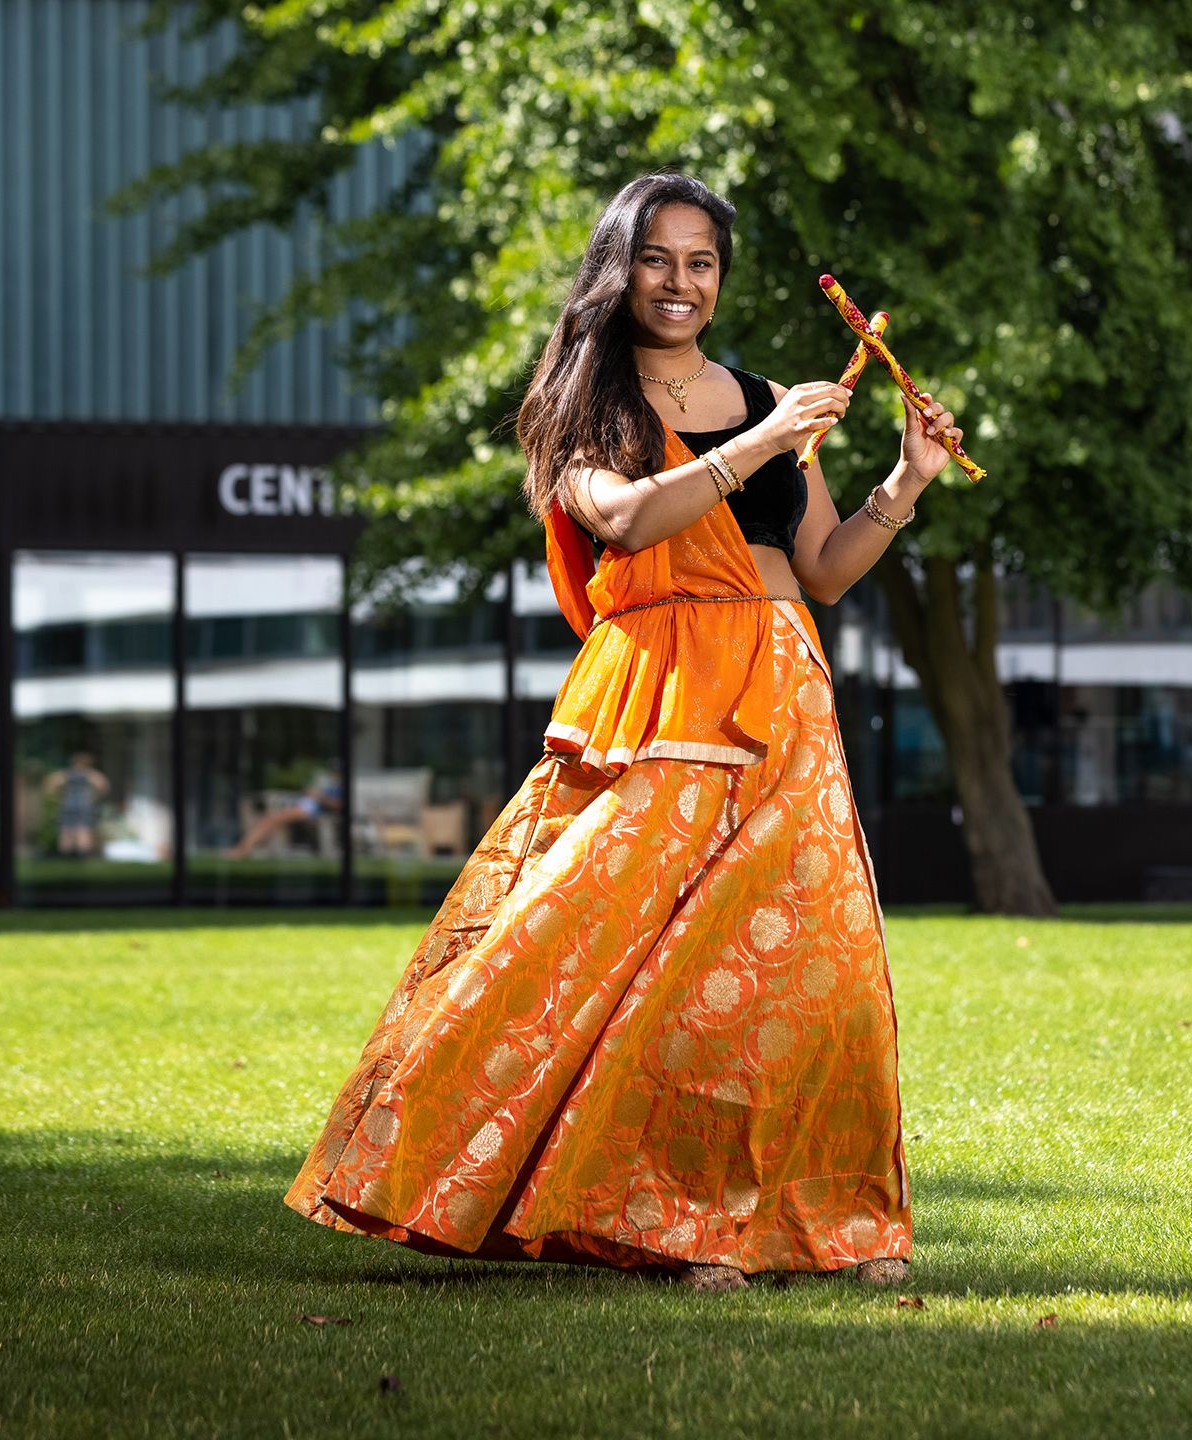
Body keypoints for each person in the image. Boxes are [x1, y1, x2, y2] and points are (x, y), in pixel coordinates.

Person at [283, 173, 961, 1292]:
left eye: (702, 262)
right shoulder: (585, 405)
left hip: (786, 695)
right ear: (619, 269)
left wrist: (906, 478)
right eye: (657, 259)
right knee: (623, 957)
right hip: (664, 692)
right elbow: (629, 519)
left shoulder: (763, 395)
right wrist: (762, 443)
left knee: (812, 969)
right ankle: (667, 1224)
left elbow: (827, 570)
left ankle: (829, 1223)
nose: (680, 282)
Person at [225, 777, 343, 861]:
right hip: (301, 804)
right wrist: (311, 792)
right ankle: (244, 847)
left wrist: (318, 796)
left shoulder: (343, 789)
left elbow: (337, 805)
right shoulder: (335, 785)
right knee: (267, 818)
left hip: (310, 809)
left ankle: (244, 849)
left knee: (271, 819)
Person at [43, 753, 110, 857]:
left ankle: (66, 856)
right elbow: (103, 786)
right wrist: (94, 798)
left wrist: (58, 797)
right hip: (84, 805)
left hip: (67, 804)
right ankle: (83, 855)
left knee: (66, 830)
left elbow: (50, 784)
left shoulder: (66, 774)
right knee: (83, 829)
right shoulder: (90, 774)